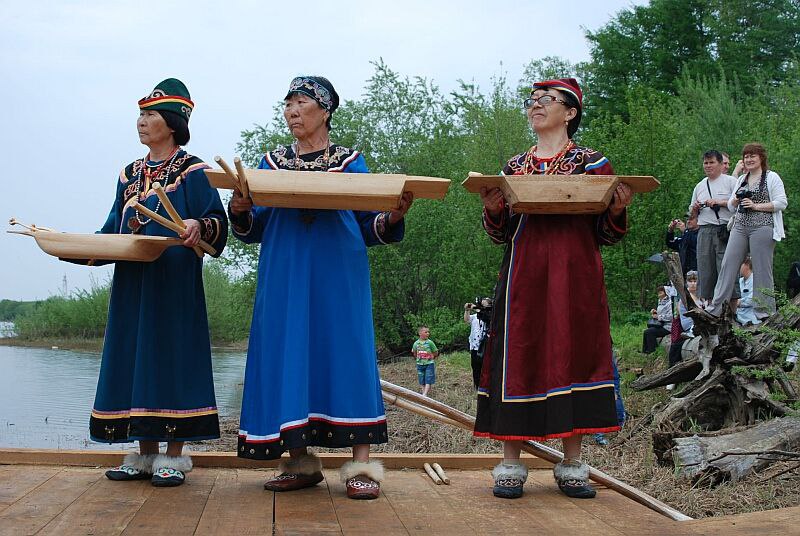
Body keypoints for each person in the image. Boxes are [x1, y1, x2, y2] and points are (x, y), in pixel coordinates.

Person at [229, 76, 413, 501]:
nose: (292, 110)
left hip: (338, 274)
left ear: (325, 111)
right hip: (285, 274)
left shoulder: (351, 162)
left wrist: (396, 214)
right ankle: (299, 462)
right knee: (288, 352)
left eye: (301, 102)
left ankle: (360, 465)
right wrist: (238, 208)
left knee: (346, 353)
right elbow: (252, 226)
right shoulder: (269, 163)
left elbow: (371, 227)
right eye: (288, 103)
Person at [474, 78, 632, 500]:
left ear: (571, 112)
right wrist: (493, 209)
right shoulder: (512, 167)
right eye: (532, 101)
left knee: (574, 352)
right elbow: (500, 233)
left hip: (575, 275)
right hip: (523, 275)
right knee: (518, 353)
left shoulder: (594, 164)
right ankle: (511, 461)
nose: (536, 106)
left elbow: (609, 234)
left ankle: (573, 462)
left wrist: (617, 210)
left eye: (547, 100)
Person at [91, 79, 228, 487]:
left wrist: (195, 225)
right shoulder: (129, 174)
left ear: (171, 122)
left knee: (172, 358)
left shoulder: (194, 171)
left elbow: (216, 225)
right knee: (136, 359)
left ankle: (174, 455)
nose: (141, 122)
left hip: (174, 283)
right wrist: (77, 247)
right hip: (134, 283)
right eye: (140, 115)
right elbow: (114, 228)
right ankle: (141, 451)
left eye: (150, 115)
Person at [706, 143, 788, 319]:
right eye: (746, 157)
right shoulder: (741, 179)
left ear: (761, 158)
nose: (749, 159)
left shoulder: (771, 177)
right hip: (740, 226)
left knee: (761, 268)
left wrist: (756, 205)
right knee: (728, 265)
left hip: (762, 226)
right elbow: (729, 205)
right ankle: (717, 309)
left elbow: (782, 202)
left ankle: (764, 312)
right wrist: (735, 200)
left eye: (753, 156)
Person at [690, 150, 738, 302]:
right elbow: (692, 217)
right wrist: (696, 208)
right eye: (706, 163)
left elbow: (738, 205)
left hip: (725, 230)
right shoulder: (699, 186)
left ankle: (731, 316)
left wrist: (719, 202)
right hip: (704, 230)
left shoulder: (731, 181)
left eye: (712, 162)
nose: (708, 166)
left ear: (720, 164)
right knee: (706, 272)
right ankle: (711, 313)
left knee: (727, 270)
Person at [464, 298, 491, 389]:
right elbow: (467, 320)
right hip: (474, 345)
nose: (481, 305)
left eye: (484, 304)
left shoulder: (490, 315)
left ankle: (485, 385)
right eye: (480, 304)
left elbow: (487, 318)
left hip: (485, 346)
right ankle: (477, 386)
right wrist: (467, 310)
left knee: (485, 366)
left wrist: (476, 308)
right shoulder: (475, 316)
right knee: (475, 366)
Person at [642, 286, 671, 354]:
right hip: (661, 324)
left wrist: (658, 317)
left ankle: (653, 352)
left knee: (650, 332)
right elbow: (662, 312)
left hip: (668, 326)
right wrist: (655, 312)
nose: (659, 295)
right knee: (646, 331)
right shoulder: (660, 301)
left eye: (661, 293)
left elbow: (670, 316)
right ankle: (645, 351)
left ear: (666, 293)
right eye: (658, 293)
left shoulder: (670, 303)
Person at [412, 326, 439, 397]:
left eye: (428, 332)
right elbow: (414, 352)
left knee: (428, 377)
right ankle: (424, 392)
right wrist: (417, 359)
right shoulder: (416, 343)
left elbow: (435, 352)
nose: (428, 333)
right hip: (420, 364)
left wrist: (433, 357)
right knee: (421, 378)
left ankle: (425, 394)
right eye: (426, 332)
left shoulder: (430, 343)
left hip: (429, 363)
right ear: (420, 333)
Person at [736, 258, 759, 326]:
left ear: (747, 265)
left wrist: (736, 302)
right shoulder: (739, 281)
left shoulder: (756, 281)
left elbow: (752, 300)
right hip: (737, 318)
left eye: (740, 265)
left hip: (751, 320)